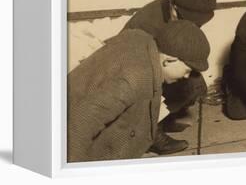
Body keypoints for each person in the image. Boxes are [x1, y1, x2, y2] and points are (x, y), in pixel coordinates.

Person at [68, 20, 210, 162]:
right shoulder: (134, 79)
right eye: (187, 70)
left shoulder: (141, 39)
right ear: (169, 60)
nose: (186, 77)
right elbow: (79, 124)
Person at [121, 0, 216, 154]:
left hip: (160, 66)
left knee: (196, 85)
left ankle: (164, 117)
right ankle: (150, 134)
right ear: (175, 9)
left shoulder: (182, 13)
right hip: (137, 71)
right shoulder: (148, 23)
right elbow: (138, 70)